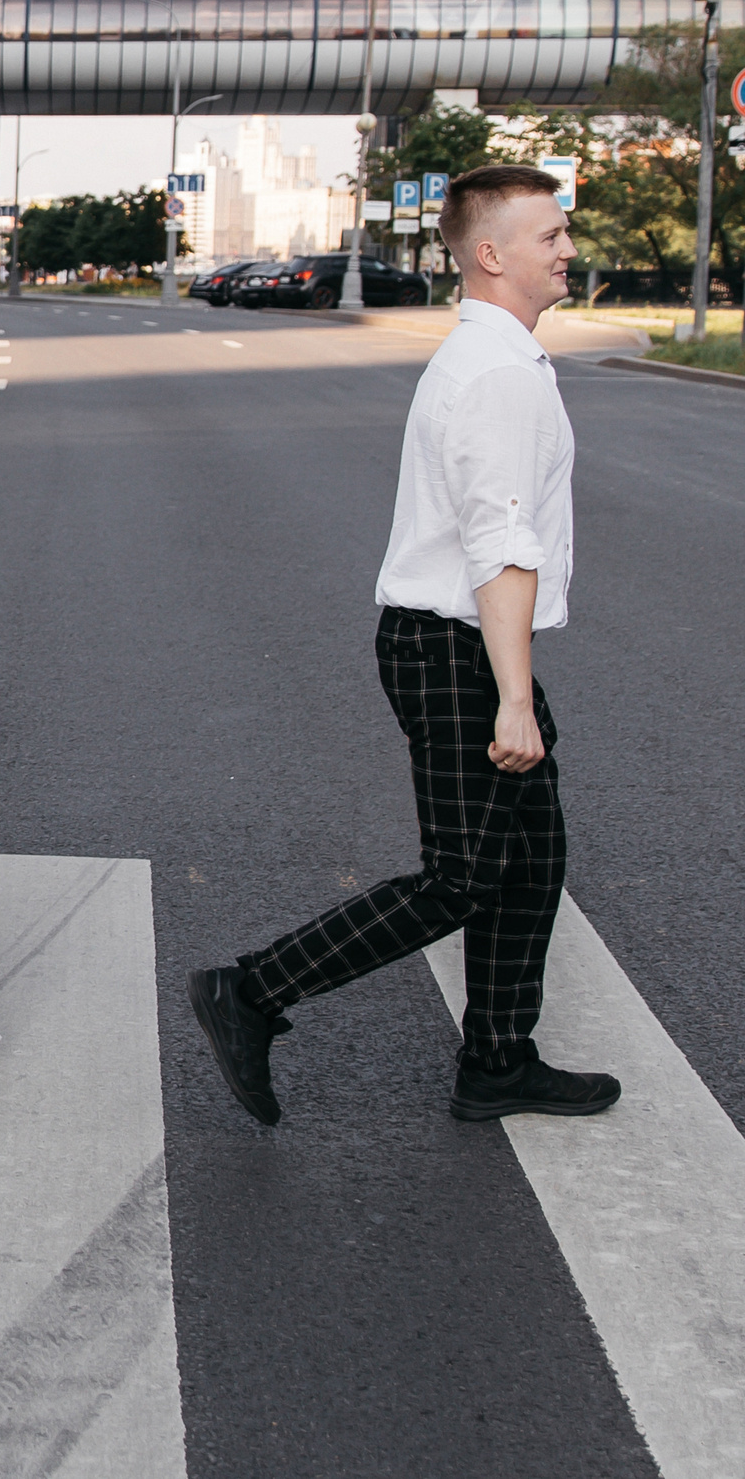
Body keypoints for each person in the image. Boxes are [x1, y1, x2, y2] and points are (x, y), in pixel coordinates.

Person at [189, 164, 618, 1128]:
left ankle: (499, 1059)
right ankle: (252, 990)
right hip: (457, 648)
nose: (568, 251)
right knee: (462, 876)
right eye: (550, 237)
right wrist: (515, 696)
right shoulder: (500, 374)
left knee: (531, 858)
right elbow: (501, 545)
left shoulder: (494, 359)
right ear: (492, 255)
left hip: (455, 645)